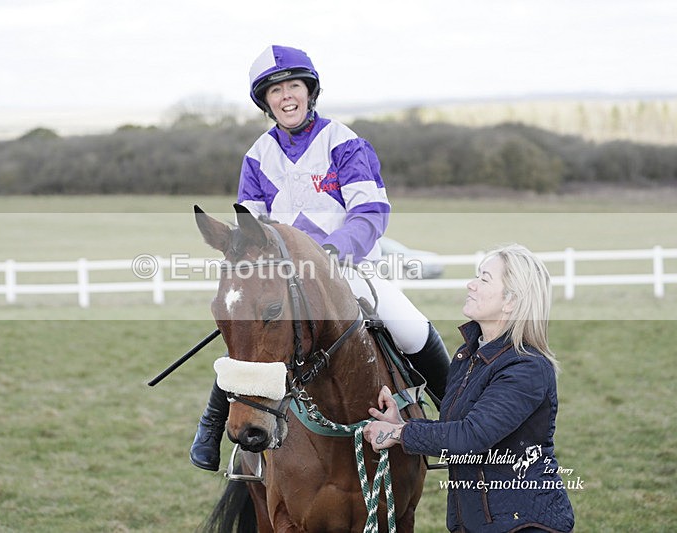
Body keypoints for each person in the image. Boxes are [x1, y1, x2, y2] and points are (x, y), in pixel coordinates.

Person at [189, 44, 451, 471]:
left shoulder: (345, 143)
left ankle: (455, 418)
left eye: (293, 85)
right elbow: (250, 228)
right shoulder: (256, 157)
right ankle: (211, 424)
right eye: (275, 91)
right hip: (283, 276)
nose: (286, 96)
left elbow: (370, 212)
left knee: (411, 327)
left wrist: (332, 251)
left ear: (310, 91)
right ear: (266, 102)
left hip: (349, 267)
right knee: (248, 333)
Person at [363, 244, 575, 532]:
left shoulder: (527, 368)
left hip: (523, 524)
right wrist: (402, 425)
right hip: (477, 522)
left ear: (510, 301)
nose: (471, 285)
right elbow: (456, 429)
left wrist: (400, 433)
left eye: (484, 278)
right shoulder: (469, 355)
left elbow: (472, 436)